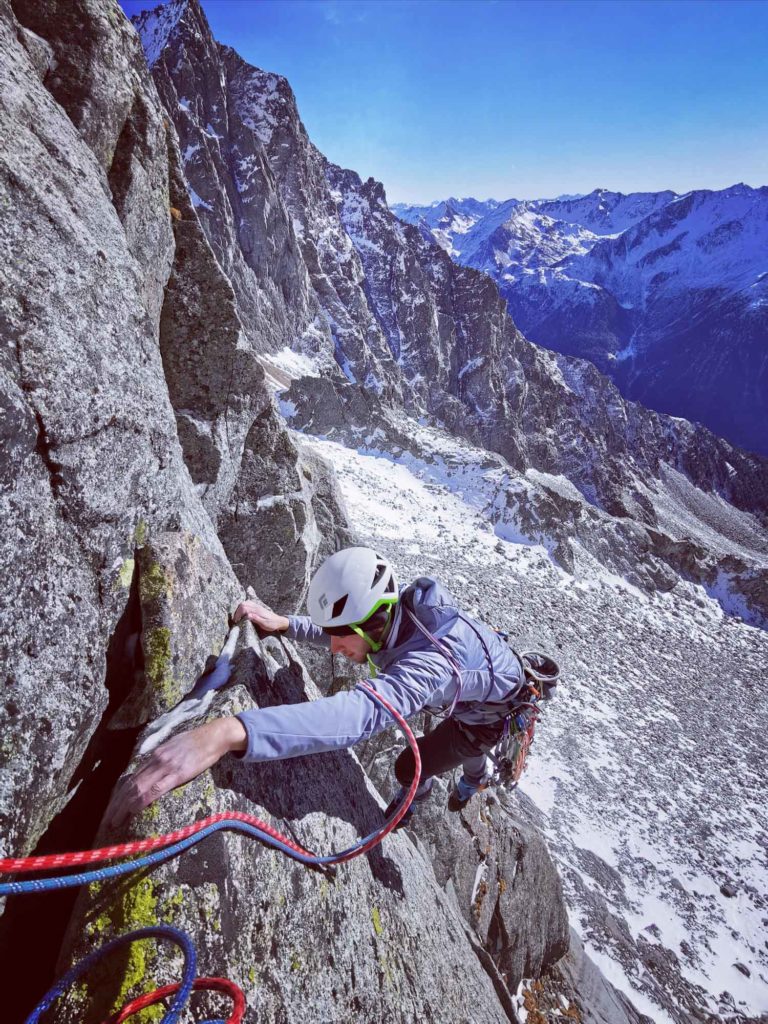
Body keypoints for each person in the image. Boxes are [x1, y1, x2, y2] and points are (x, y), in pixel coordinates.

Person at [106, 546, 525, 828]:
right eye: (333, 635)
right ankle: (472, 769)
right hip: (471, 693)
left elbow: (358, 716)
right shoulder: (389, 620)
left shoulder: (431, 666)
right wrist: (287, 624)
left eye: (341, 637)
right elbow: (342, 631)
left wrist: (229, 732)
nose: (335, 648)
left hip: (486, 718)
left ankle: (474, 779)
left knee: (415, 767)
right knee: (451, 736)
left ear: (372, 623)